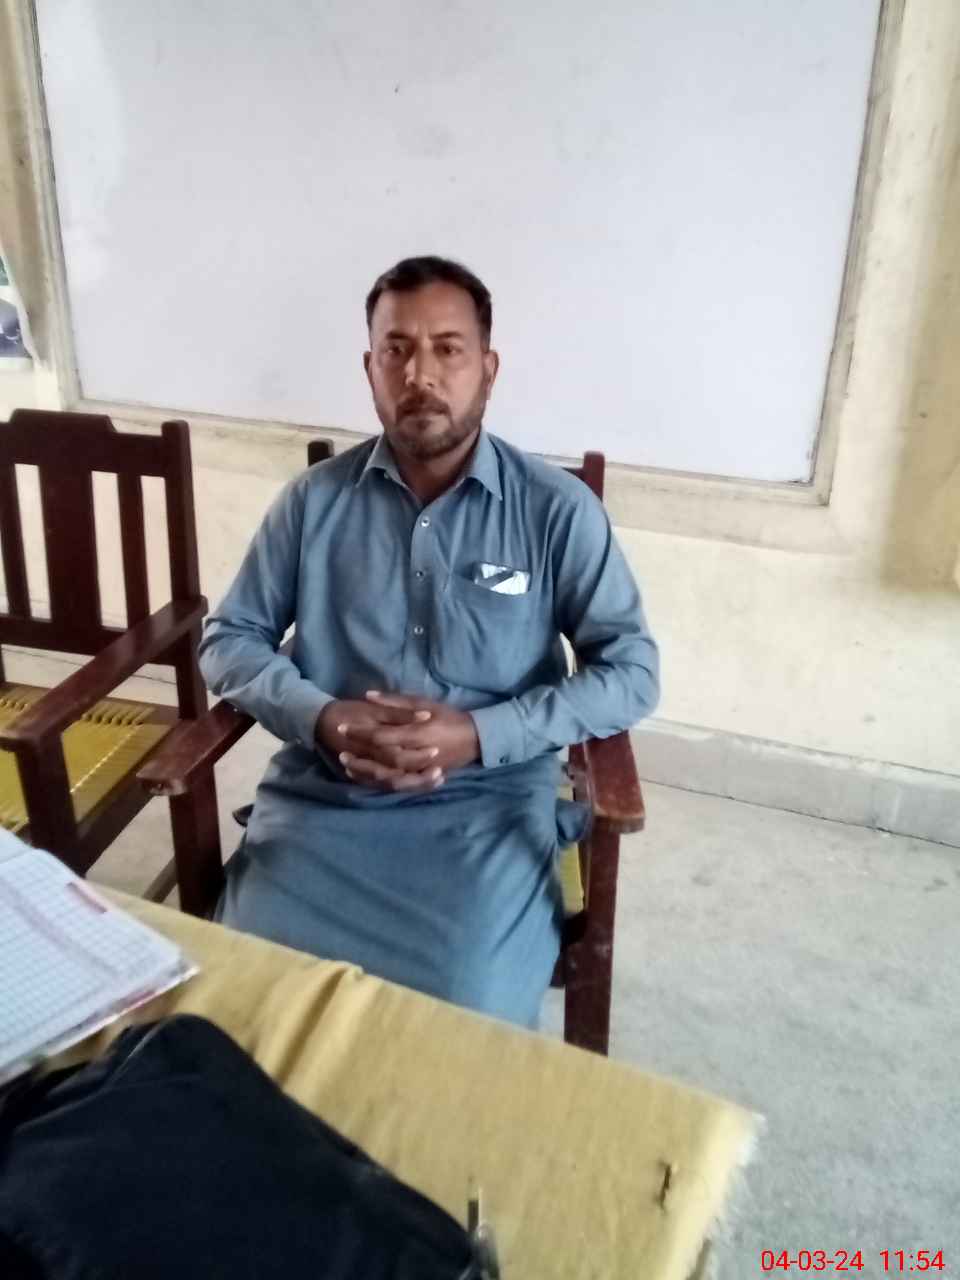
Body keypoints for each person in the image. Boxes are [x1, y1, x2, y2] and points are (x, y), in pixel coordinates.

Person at [199, 256, 659, 1027]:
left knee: (460, 1022)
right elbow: (230, 638)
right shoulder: (313, 503)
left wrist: (481, 735)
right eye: (397, 350)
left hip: (487, 808)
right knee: (240, 1003)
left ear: (488, 369)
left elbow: (633, 671)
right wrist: (322, 717)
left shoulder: (556, 510)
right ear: (370, 370)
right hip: (327, 800)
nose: (421, 374)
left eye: (448, 349)